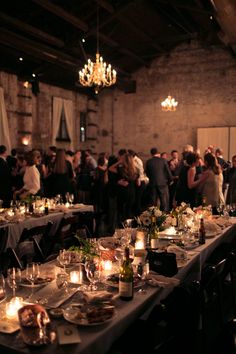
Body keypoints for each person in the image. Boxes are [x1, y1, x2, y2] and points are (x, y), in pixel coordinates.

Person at [145, 147, 173, 212]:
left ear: (151, 154)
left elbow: (147, 173)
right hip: (162, 183)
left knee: (153, 202)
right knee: (164, 201)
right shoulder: (163, 160)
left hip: (153, 183)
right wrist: (170, 180)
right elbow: (168, 171)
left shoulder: (148, 162)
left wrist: (151, 179)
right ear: (158, 153)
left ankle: (154, 217)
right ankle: (163, 216)